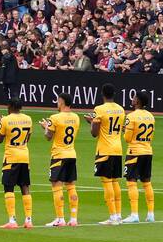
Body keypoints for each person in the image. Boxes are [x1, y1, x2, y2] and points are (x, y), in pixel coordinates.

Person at [87, 82, 126, 225]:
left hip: (105, 148)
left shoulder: (99, 109)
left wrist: (91, 122)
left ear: (102, 94)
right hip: (117, 148)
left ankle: (112, 216)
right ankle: (119, 215)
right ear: (114, 94)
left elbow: (94, 133)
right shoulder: (121, 109)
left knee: (106, 182)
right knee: (115, 181)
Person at [40, 93, 81, 226]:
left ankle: (60, 218)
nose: (57, 103)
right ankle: (74, 218)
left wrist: (46, 127)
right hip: (71, 154)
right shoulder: (76, 117)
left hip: (59, 155)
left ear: (62, 102)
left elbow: (48, 136)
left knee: (57, 186)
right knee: (71, 185)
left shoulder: (55, 117)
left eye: (58, 101)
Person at [0, 99, 34, 229]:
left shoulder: (6, 120)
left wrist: (0, 123)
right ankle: (28, 219)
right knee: (25, 186)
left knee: (8, 187)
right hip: (24, 156)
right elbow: (28, 138)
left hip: (11, 157)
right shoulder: (28, 119)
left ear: (10, 106)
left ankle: (12, 220)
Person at [123, 91, 156, 224]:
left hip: (134, 152)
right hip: (147, 150)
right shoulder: (151, 116)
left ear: (137, 101)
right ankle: (151, 214)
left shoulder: (131, 116)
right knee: (147, 183)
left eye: (134, 97)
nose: (132, 99)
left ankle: (134, 214)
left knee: (131, 182)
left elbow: (127, 138)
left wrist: (124, 130)